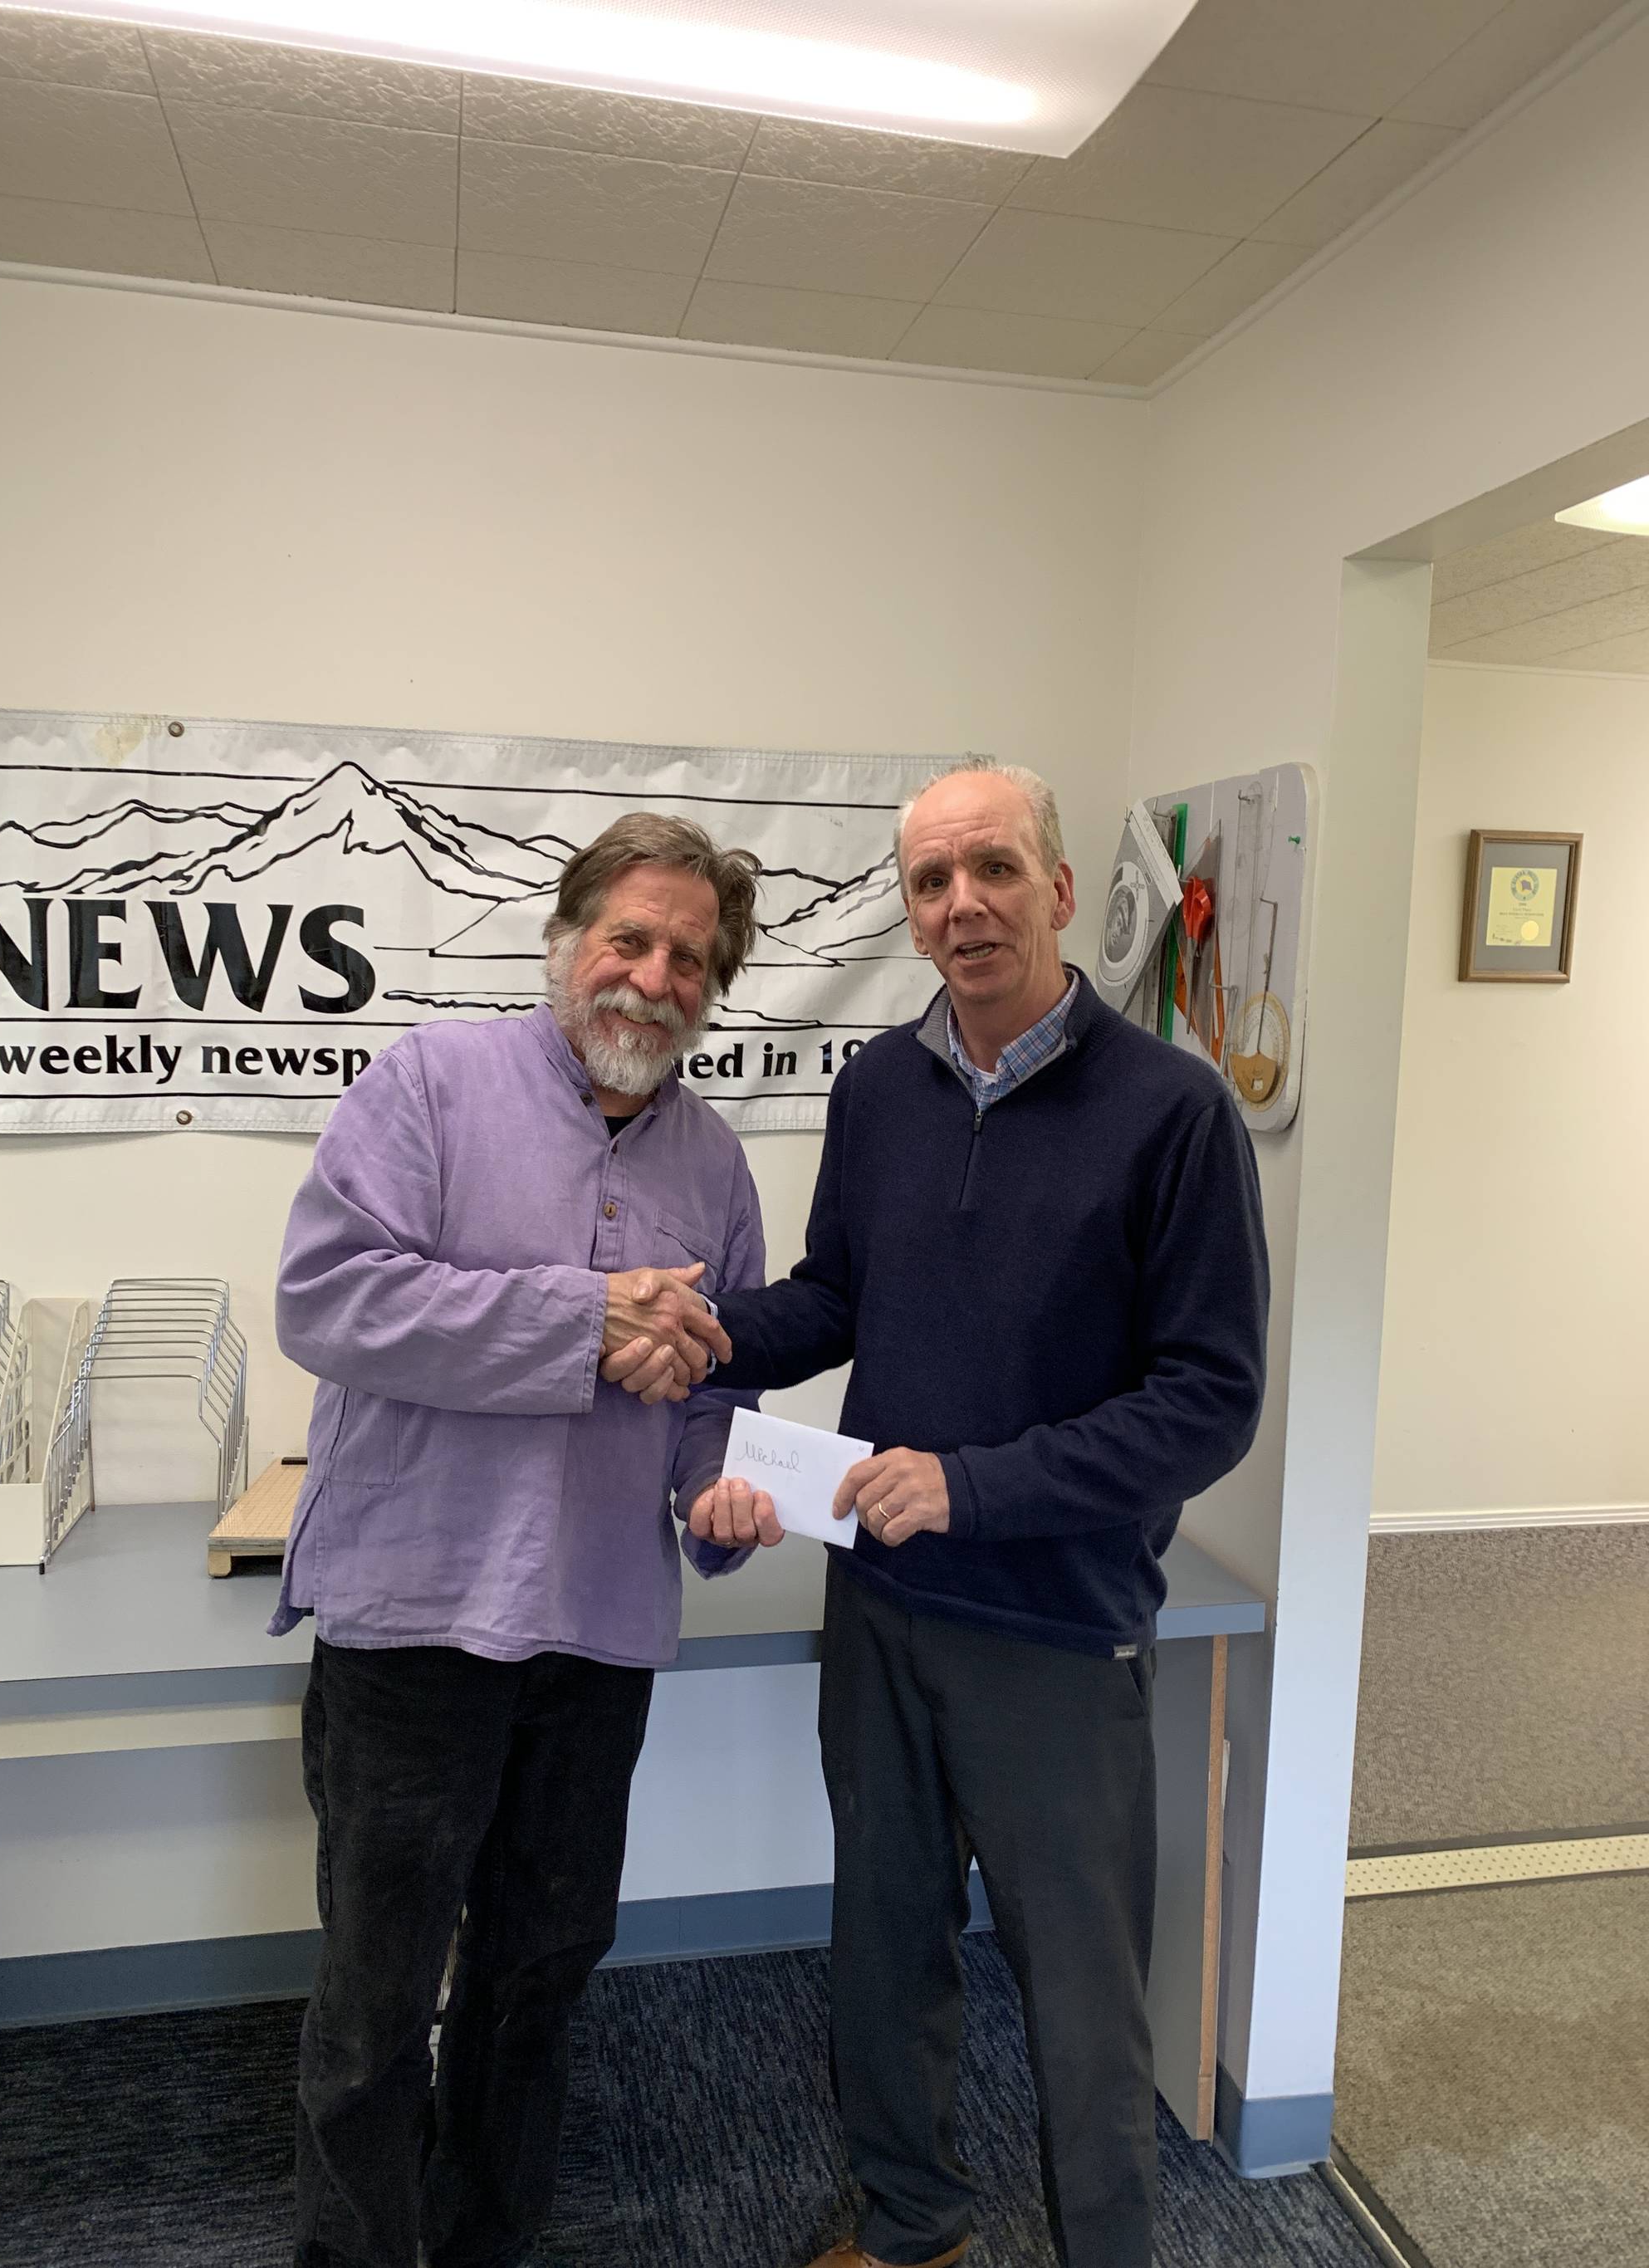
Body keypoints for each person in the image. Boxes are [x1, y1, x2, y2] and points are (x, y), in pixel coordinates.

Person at [608, 758, 1269, 2268]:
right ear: (906, 912)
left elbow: (1206, 1403)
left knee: (1085, 2004)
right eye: (928, 882)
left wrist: (975, 1489)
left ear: (1052, 884)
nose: (961, 904)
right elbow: (842, 1297)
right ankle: (913, 2229)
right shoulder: (879, 1090)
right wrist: (707, 1332)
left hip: (1054, 1631)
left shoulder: (1173, 1113)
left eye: (991, 869)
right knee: (884, 1952)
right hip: (883, 1609)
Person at [272, 812, 763, 2268]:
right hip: (413, 1621)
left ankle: (488, 2243)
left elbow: (710, 1391)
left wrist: (723, 1494)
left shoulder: (718, 1166)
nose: (653, 977)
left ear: (711, 991)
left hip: (598, 1631)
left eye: (689, 958)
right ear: (568, 944)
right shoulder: (428, 1084)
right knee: (376, 2001)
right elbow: (330, 1301)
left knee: (538, 1980)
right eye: (630, 938)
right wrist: (579, 1316)